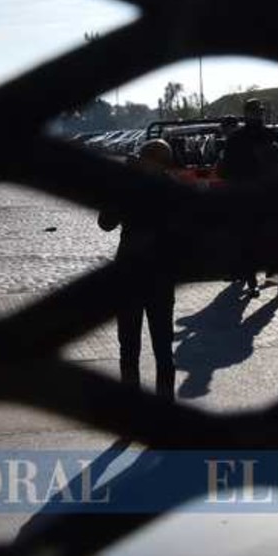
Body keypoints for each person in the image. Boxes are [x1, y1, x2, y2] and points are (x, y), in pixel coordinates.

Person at [98, 140, 179, 401]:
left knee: (132, 345)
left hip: (133, 270)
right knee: (160, 345)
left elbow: (106, 222)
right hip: (159, 273)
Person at [217, 98, 278, 297]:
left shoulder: (247, 137)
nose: (259, 114)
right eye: (257, 111)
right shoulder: (255, 136)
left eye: (260, 111)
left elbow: (224, 171)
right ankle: (265, 283)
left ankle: (272, 283)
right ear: (248, 113)